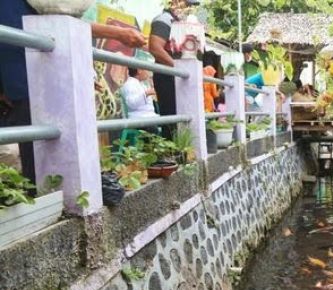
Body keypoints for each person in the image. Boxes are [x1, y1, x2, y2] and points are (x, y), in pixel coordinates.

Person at [0, 0, 146, 185]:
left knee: (43, 151)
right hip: (32, 79)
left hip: (31, 79)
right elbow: (56, 23)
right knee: (39, 156)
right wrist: (118, 33)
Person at [149, 0, 199, 137]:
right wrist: (177, 68)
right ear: (175, 2)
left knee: (183, 116)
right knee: (171, 117)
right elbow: (154, 48)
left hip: (177, 76)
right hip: (167, 76)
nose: (189, 9)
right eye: (187, 4)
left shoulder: (179, 23)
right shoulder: (164, 20)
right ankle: (169, 154)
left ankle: (180, 152)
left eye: (191, 6)